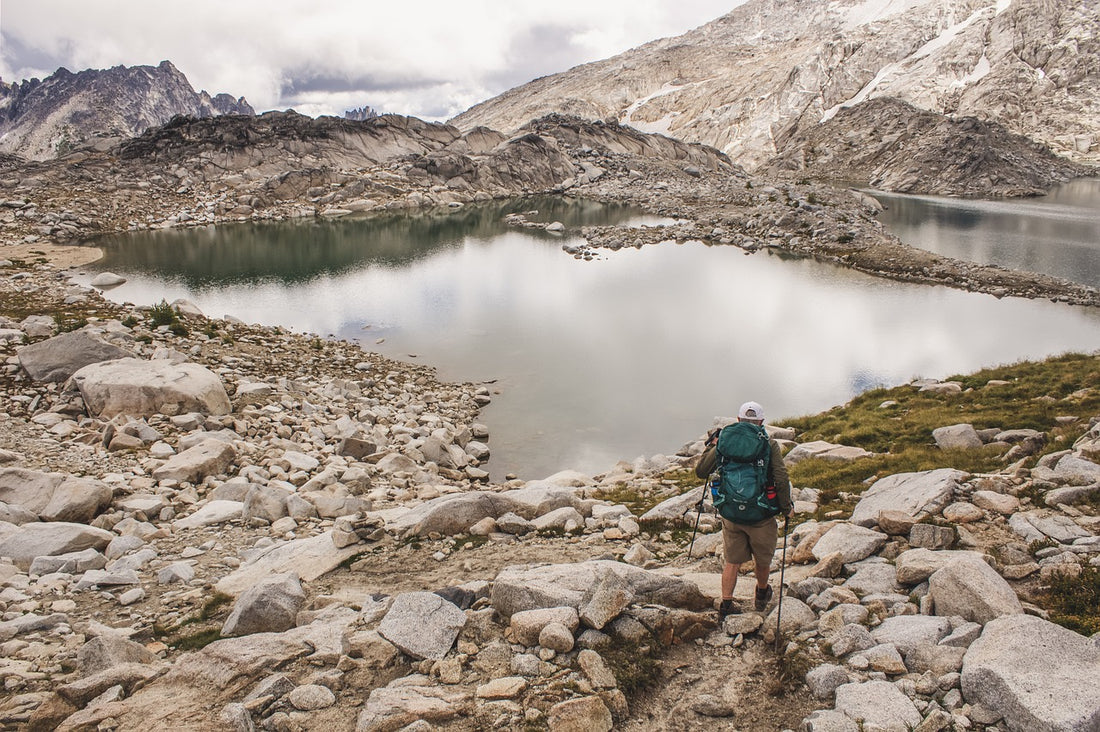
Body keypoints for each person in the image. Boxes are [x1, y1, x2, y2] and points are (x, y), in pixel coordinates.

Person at [695, 400, 793, 617]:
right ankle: (761, 595)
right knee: (762, 559)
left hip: (731, 513)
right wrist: (786, 508)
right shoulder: (768, 444)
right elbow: (780, 477)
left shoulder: (725, 441)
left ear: (738, 419)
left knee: (732, 561)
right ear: (761, 422)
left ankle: (726, 605)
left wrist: (714, 445)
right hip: (761, 514)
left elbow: (702, 471)